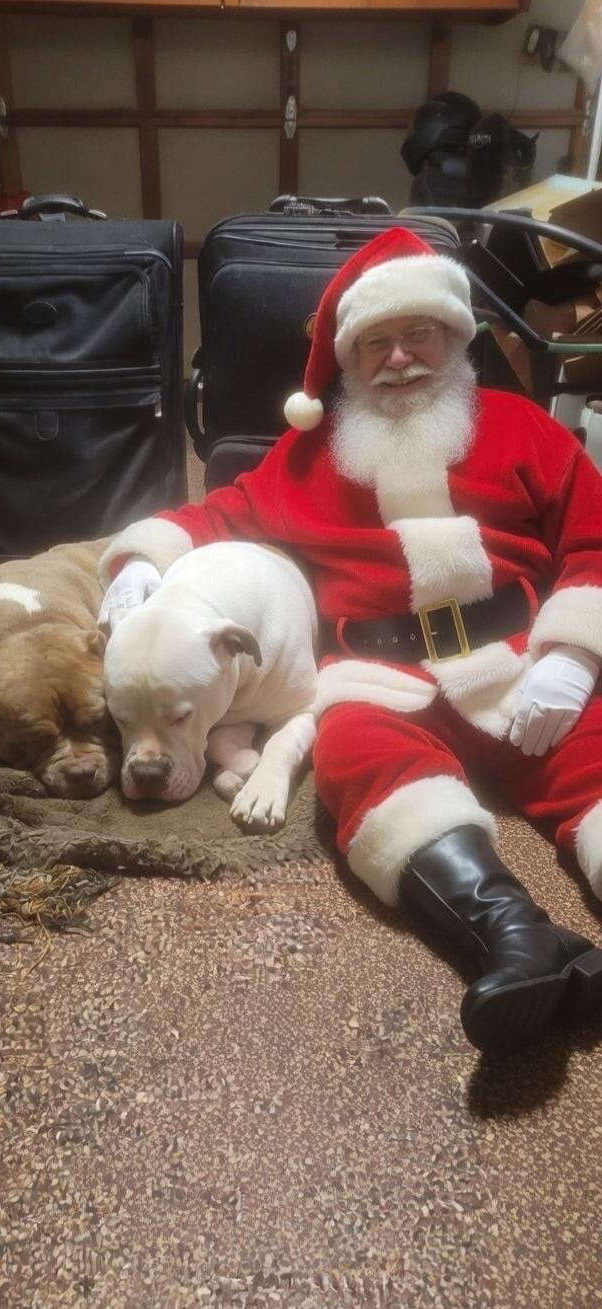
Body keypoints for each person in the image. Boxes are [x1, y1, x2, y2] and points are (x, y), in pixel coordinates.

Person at [99, 226, 602, 1053]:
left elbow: (594, 539)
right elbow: (217, 514)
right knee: (355, 759)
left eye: (418, 334)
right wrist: (138, 561)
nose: (398, 358)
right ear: (350, 358)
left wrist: (574, 655)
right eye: (375, 342)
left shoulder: (526, 429)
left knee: (594, 754)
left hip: (519, 665)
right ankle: (513, 936)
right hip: (380, 676)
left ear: (455, 337)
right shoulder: (311, 456)